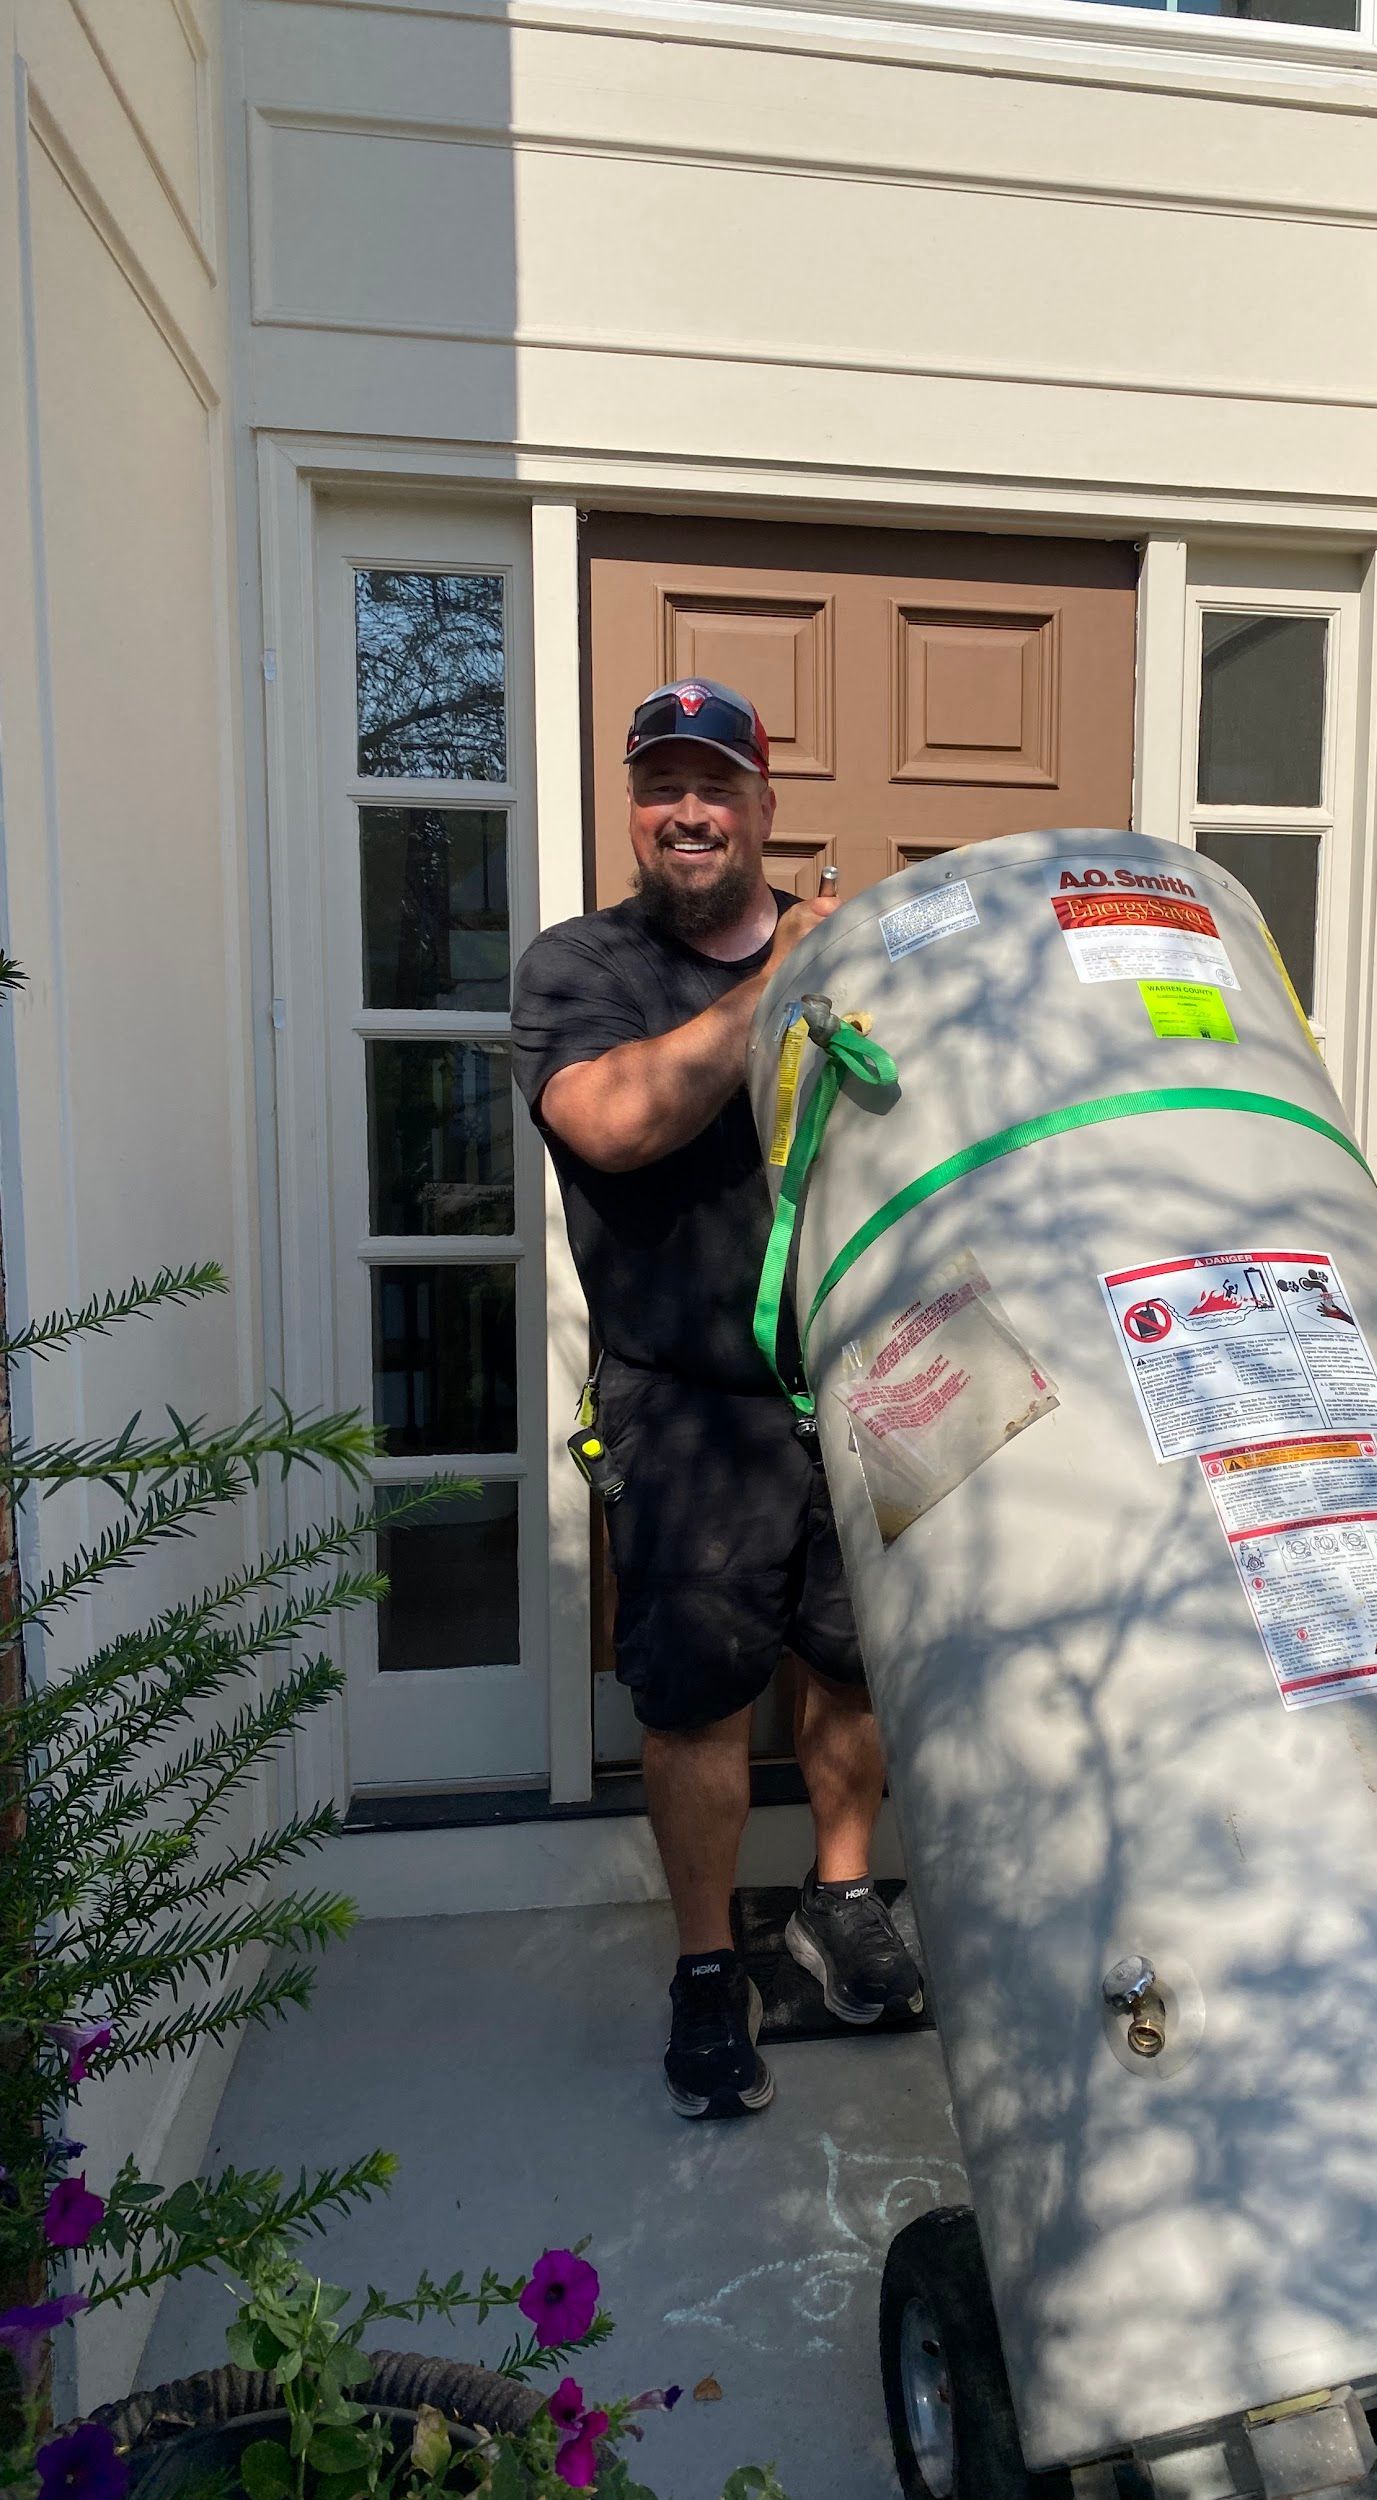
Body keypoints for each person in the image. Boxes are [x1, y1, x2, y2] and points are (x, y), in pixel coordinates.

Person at [510, 677, 924, 2121]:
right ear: (637, 812)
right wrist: (787, 977)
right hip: (687, 1398)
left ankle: (846, 1892)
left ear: (764, 806)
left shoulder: (865, 960)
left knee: (857, 1662)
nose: (688, 809)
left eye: (717, 783)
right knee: (693, 1704)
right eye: (660, 785)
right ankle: (703, 1968)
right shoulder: (580, 970)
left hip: (874, 1371)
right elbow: (619, 1123)